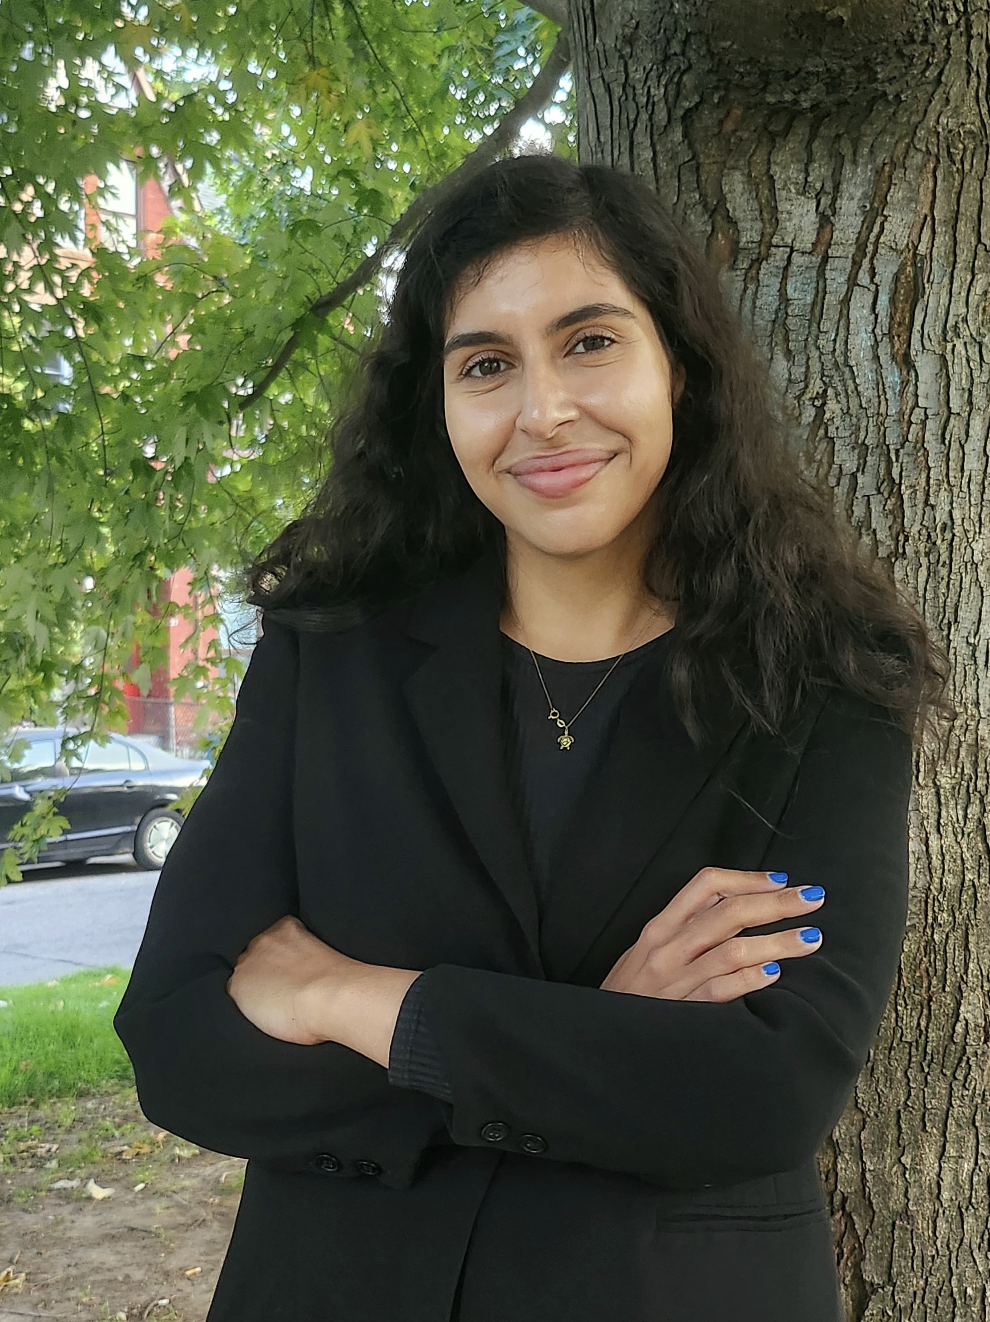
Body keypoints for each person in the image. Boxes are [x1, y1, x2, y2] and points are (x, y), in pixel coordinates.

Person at [114, 151, 952, 1322]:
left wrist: (361, 1002)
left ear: (682, 368)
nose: (543, 410)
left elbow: (771, 1088)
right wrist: (605, 1045)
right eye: (487, 364)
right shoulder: (333, 653)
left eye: (591, 340)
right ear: (440, 403)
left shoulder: (826, 677)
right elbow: (177, 1037)